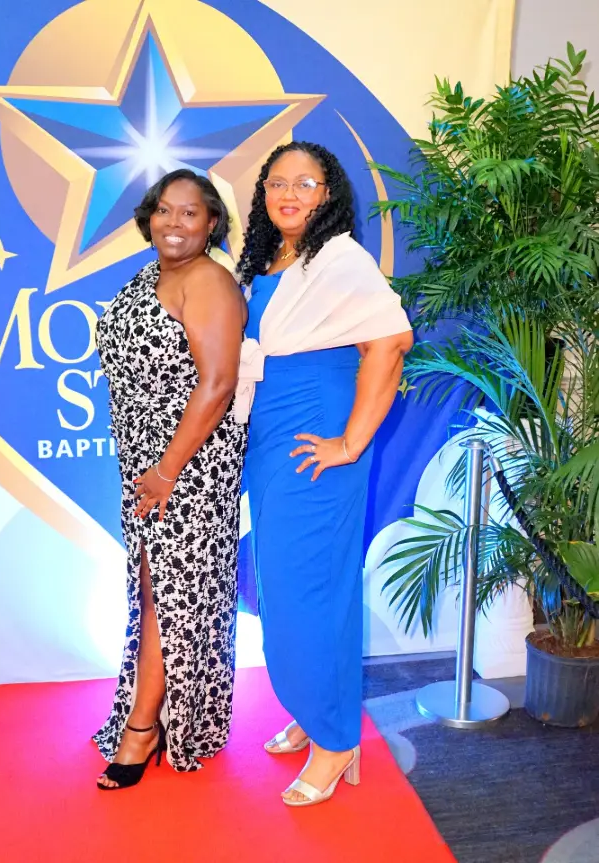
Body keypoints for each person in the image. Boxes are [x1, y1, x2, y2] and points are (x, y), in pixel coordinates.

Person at [235, 141, 413, 807]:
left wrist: (351, 442)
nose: (289, 193)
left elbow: (390, 343)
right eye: (277, 182)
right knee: (288, 587)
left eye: (305, 183)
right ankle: (316, 711)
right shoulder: (273, 260)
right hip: (273, 434)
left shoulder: (339, 258)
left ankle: (336, 742)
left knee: (309, 588)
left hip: (316, 434)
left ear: (328, 193)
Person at [94, 169, 247, 788]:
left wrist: (165, 470)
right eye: (163, 210)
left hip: (188, 466)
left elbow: (218, 383)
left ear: (212, 223)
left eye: (189, 213)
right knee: (155, 590)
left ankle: (143, 729)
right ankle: (158, 714)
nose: (173, 223)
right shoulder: (153, 275)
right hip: (148, 463)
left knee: (168, 595)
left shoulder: (208, 280)